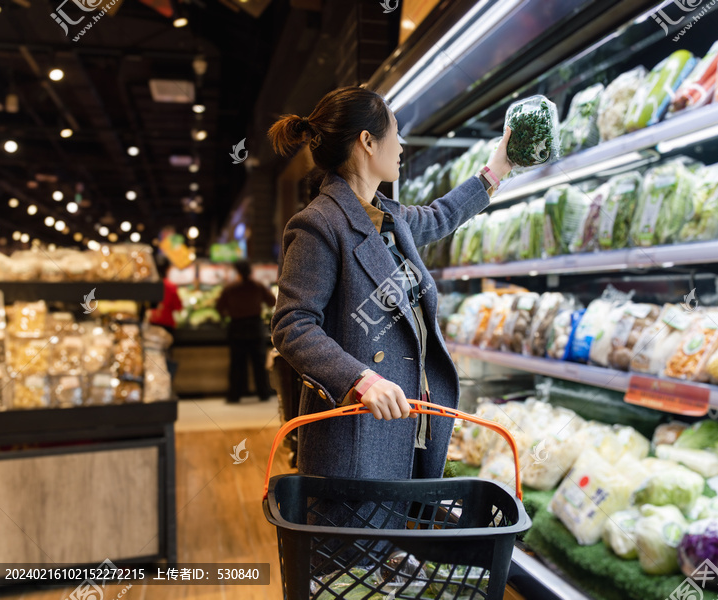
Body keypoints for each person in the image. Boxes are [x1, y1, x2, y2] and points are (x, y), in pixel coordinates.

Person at [269, 86, 512, 485]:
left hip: (405, 424)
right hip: (356, 435)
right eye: (394, 133)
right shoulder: (318, 224)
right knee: (360, 545)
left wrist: (496, 169)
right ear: (367, 141)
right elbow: (292, 326)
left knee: (395, 539)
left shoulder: (388, 217)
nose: (400, 146)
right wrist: (360, 380)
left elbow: (440, 216)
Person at [216, 260, 276, 402]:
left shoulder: (230, 288)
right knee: (259, 363)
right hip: (255, 327)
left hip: (237, 327)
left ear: (237, 271)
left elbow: (219, 307)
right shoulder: (257, 286)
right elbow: (272, 301)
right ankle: (263, 393)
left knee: (237, 364)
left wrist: (230, 313)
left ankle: (234, 395)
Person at [148, 259, 183, 337]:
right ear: (167, 269)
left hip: (153, 321)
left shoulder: (151, 285)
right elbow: (178, 306)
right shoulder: (171, 287)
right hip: (167, 323)